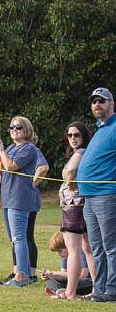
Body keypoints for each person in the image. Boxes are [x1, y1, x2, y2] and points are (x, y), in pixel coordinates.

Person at [0, 115, 43, 286]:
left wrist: (2, 150)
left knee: (19, 237)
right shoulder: (12, 146)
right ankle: (24, 273)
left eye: (17, 127)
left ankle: (21, 276)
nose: (13, 130)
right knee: (15, 238)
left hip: (20, 198)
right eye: (11, 128)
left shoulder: (29, 149)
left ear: (26, 130)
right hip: (8, 197)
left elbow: (11, 166)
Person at [79, 86, 116, 302]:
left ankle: (112, 290)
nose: (97, 105)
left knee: (111, 246)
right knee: (96, 247)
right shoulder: (100, 130)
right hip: (90, 197)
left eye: (101, 101)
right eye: (94, 101)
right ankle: (99, 289)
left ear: (111, 103)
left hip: (107, 195)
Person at [55, 121, 96, 299]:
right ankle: (97, 289)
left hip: (74, 205)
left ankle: (70, 292)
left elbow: (69, 171)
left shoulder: (81, 152)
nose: (72, 138)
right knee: (88, 249)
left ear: (84, 137)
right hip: (83, 203)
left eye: (77, 135)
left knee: (74, 250)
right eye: (69, 135)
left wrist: (69, 179)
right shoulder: (86, 153)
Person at [42, 231, 94, 297]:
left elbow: (82, 276)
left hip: (87, 281)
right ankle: (61, 291)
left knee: (85, 283)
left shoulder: (81, 252)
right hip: (72, 282)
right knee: (49, 280)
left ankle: (59, 290)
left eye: (60, 251)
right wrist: (51, 275)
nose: (58, 254)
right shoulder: (65, 256)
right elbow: (64, 274)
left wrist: (54, 273)